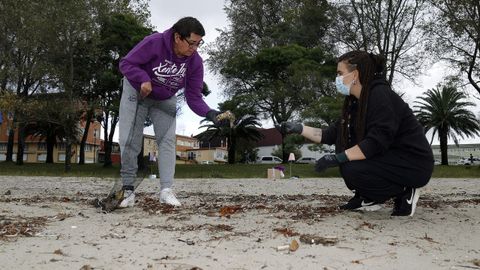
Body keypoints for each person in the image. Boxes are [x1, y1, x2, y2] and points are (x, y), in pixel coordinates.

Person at [278, 51, 434, 216]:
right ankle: (370, 197)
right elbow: (330, 134)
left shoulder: (380, 95)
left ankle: (404, 190)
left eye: (340, 73)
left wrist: (338, 158)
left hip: (413, 164)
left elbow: (376, 142)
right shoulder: (355, 104)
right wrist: (297, 128)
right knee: (348, 160)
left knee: (351, 166)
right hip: (389, 160)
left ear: (355, 74)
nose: (336, 79)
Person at [118, 17, 225, 208]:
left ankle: (166, 190)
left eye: (199, 44)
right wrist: (143, 78)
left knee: (167, 141)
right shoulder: (154, 43)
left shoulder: (195, 62)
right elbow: (126, 64)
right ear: (177, 37)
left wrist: (210, 113)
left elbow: (193, 97)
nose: (195, 49)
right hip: (137, 91)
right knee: (130, 139)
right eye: (191, 43)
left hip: (165, 98)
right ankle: (127, 190)